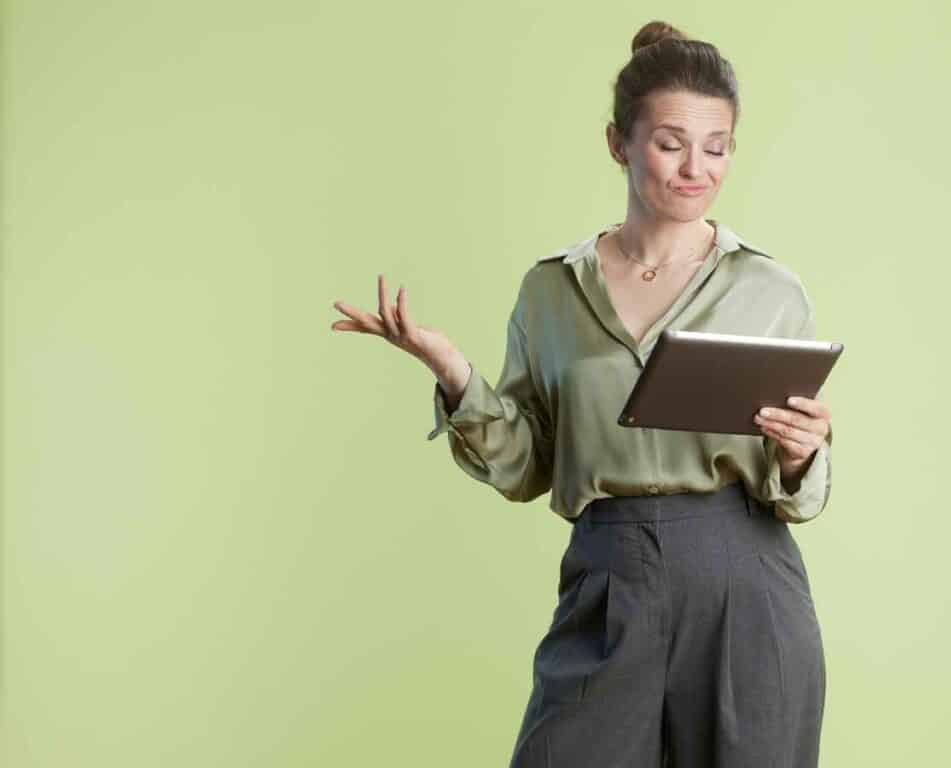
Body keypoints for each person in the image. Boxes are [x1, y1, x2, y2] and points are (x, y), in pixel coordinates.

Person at [332, 19, 834, 768]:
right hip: (611, 570)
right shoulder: (552, 292)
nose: (696, 168)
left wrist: (802, 455)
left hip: (744, 582)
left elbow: (796, 483)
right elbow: (528, 464)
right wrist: (454, 374)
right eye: (670, 143)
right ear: (618, 143)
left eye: (717, 146)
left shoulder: (769, 290)